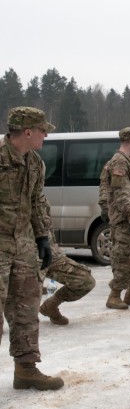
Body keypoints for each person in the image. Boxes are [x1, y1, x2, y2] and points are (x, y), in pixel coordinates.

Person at [1, 106, 63, 390]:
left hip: (24, 245)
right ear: (27, 132)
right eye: (42, 130)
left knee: (27, 307)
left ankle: (26, 368)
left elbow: (38, 202)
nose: (46, 134)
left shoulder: (35, 163)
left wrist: (42, 238)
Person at [99, 127, 130, 309]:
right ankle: (114, 295)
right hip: (126, 222)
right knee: (127, 259)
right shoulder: (119, 163)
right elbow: (121, 195)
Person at [39, 196, 96, 325]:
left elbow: (48, 228)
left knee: (85, 280)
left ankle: (51, 305)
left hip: (48, 254)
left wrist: (54, 249)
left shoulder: (40, 198)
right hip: (17, 257)